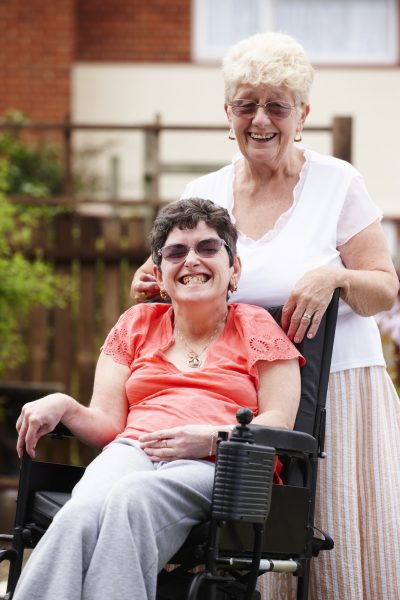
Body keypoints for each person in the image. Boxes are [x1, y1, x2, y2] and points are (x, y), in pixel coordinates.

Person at [131, 33, 400, 600]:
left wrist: (338, 277)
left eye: (277, 105)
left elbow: (385, 290)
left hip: (339, 390)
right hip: (241, 398)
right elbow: (179, 277)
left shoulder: (337, 182)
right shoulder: (204, 193)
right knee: (248, 547)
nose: (261, 119)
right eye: (246, 104)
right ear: (227, 113)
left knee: (339, 551)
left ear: (302, 113)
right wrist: (150, 281)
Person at [13, 198, 303, 600]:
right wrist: (63, 404)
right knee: (80, 512)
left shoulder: (256, 325)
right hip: (134, 449)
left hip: (217, 465)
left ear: (234, 270)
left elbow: (280, 421)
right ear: (160, 274)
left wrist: (213, 438)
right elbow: (108, 424)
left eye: (207, 248)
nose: (191, 261)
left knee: (132, 498)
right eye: (176, 252)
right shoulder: (136, 324)